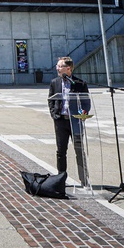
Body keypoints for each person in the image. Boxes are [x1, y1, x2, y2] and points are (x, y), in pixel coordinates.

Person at [48, 57, 90, 187]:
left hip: (75, 122)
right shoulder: (54, 82)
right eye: (57, 66)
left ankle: (84, 179)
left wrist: (82, 115)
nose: (57, 68)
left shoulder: (80, 83)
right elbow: (50, 99)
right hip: (61, 122)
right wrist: (54, 114)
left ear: (69, 68)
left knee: (79, 150)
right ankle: (61, 178)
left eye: (60, 66)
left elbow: (86, 103)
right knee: (61, 151)